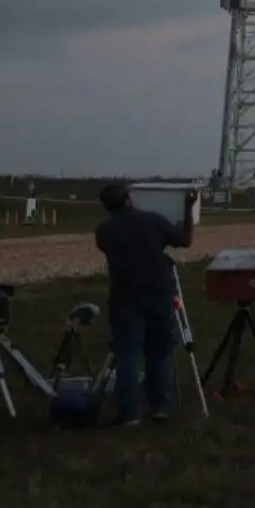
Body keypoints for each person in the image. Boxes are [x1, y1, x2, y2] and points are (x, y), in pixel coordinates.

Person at [93, 182, 194, 427]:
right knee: (158, 354)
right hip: (158, 293)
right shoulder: (153, 221)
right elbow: (184, 240)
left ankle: (129, 414)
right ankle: (159, 407)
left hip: (125, 296)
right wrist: (189, 210)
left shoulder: (104, 231)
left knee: (127, 357)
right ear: (129, 198)